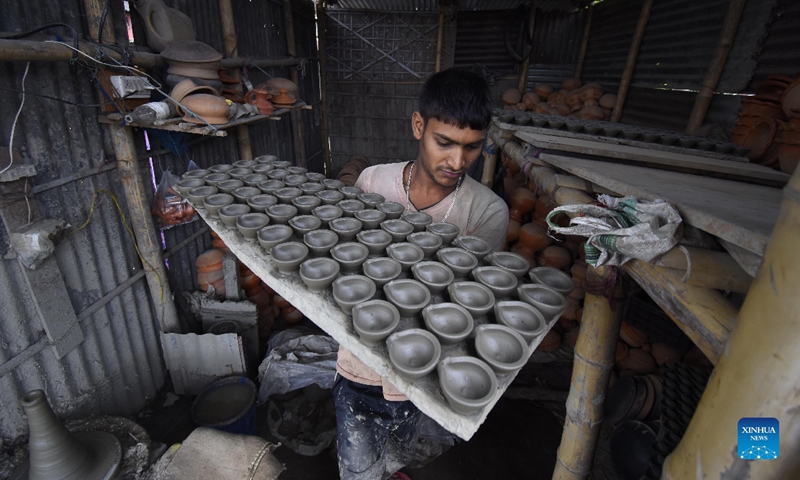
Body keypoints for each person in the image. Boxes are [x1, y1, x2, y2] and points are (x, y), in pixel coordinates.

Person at [333, 68, 509, 480]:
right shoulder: (373, 182)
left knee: (400, 451)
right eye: (444, 142)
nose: (457, 161)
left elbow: (469, 305)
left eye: (472, 147)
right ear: (418, 126)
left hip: (420, 375)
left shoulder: (486, 212)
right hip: (358, 360)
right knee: (358, 465)